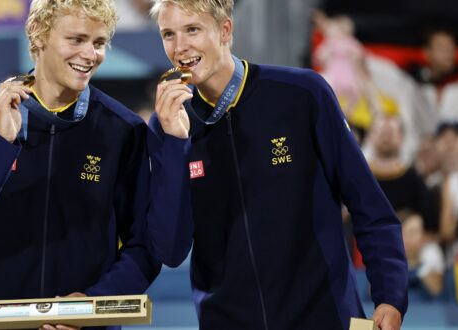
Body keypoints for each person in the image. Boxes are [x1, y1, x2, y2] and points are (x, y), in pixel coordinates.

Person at [147, 1, 408, 329]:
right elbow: (171, 249)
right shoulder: (167, 126)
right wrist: (174, 144)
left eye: (192, 30)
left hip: (322, 316)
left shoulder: (301, 94)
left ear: (225, 30)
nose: (180, 47)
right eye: (168, 34)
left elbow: (368, 205)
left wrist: (390, 294)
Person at [0, 1, 161, 329]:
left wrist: (91, 303)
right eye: (76, 39)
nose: (90, 54)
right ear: (38, 34)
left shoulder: (123, 130)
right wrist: (1, 145)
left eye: (99, 43)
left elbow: (144, 247)